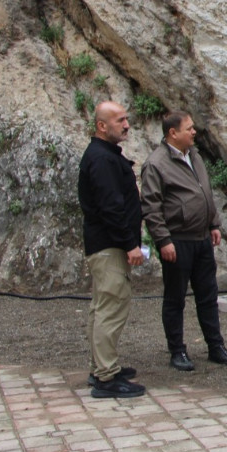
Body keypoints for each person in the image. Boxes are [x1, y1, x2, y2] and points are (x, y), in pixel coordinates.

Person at [140, 110, 227, 371]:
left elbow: (205, 191)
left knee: (208, 295)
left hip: (201, 239)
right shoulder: (156, 164)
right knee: (175, 298)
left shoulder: (194, 155)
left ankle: (215, 346)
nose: (194, 132)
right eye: (189, 128)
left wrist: (213, 223)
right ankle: (177, 350)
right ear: (173, 133)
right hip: (177, 241)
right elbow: (151, 207)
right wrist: (163, 240)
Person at [78, 101, 148, 399]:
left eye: (126, 119)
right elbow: (111, 207)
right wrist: (129, 244)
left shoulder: (103, 155)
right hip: (109, 246)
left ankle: (102, 367)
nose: (127, 124)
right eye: (119, 120)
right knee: (110, 306)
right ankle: (106, 377)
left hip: (106, 244)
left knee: (102, 306)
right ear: (101, 126)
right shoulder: (102, 159)